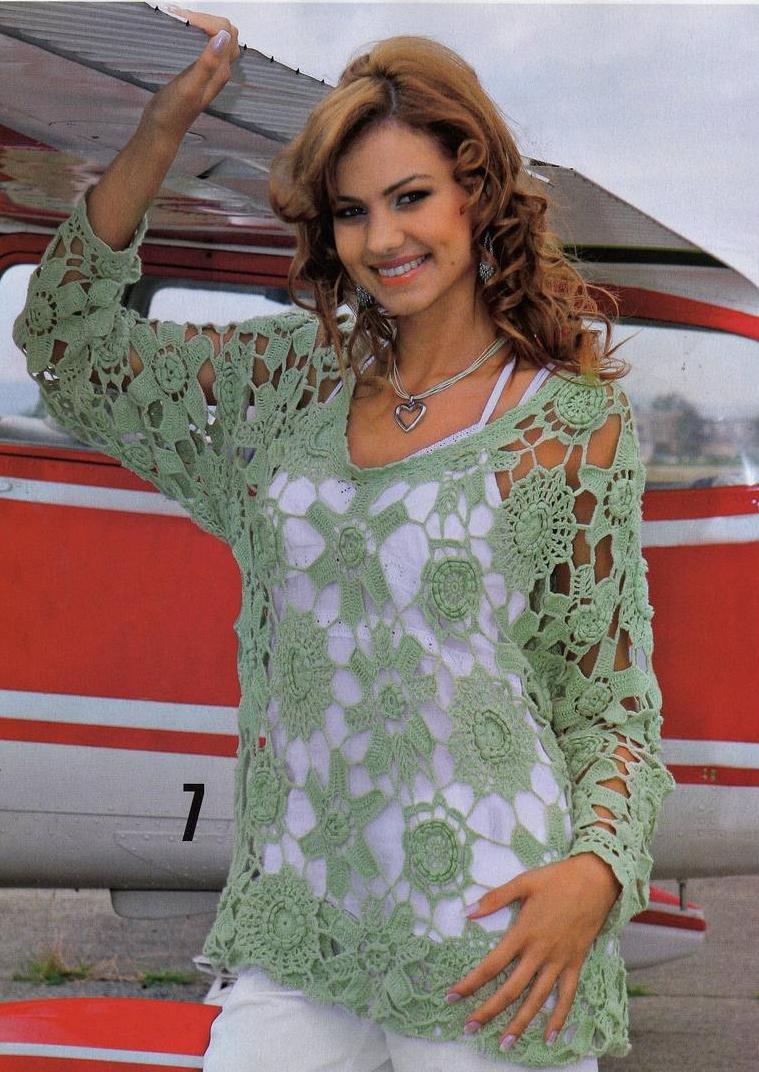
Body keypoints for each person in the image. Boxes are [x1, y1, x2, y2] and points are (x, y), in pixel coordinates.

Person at [13, 9, 676, 1071]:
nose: (383, 240)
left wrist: (594, 876)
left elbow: (611, 706)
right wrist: (161, 126)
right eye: (353, 212)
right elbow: (68, 343)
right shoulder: (290, 382)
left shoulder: (568, 425)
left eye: (411, 197)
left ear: (475, 193)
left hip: (491, 924)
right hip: (301, 919)